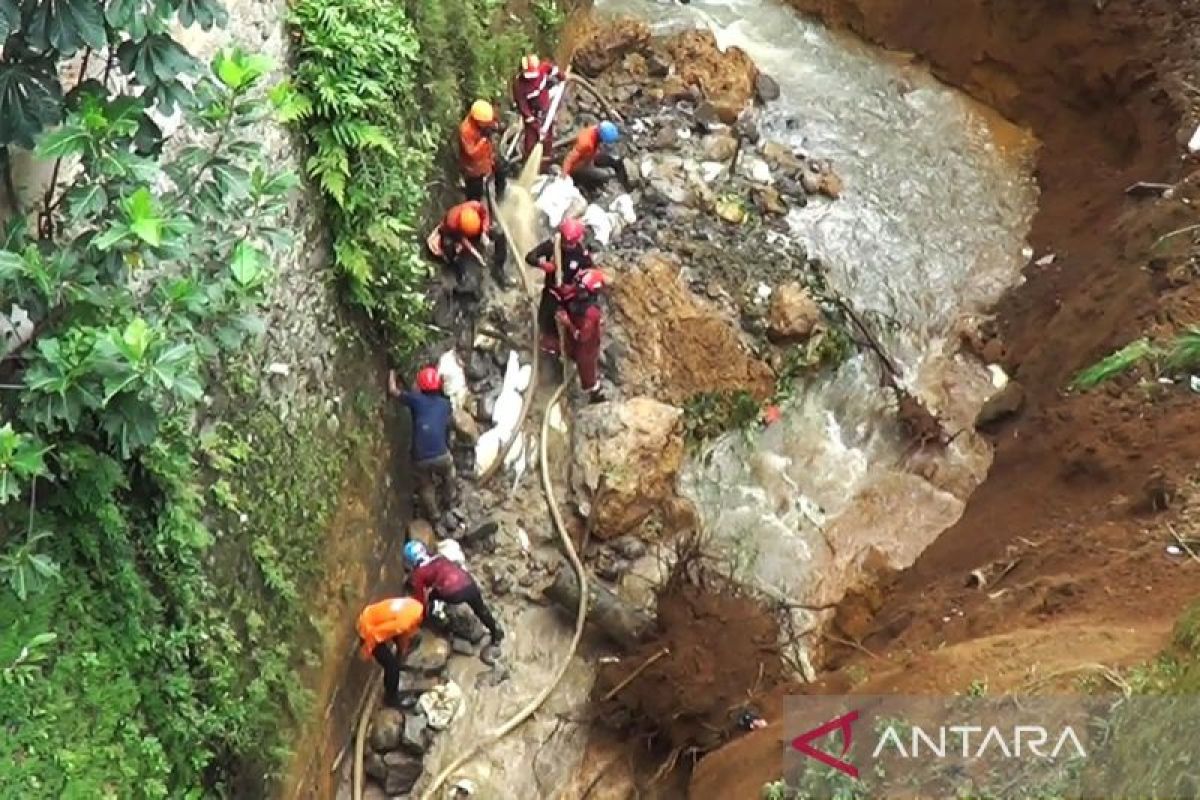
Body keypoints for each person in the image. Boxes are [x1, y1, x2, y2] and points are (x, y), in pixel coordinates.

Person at [404, 541, 504, 648]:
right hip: (469, 583)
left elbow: (420, 598)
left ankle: (444, 623)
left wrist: (421, 617)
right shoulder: (440, 557)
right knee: (480, 609)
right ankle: (495, 632)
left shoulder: (419, 574)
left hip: (454, 593)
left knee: (432, 597)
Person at [389, 367, 455, 519]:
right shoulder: (445, 404)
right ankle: (449, 497)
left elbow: (393, 391)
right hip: (441, 455)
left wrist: (392, 373)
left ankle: (434, 514)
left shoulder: (415, 400)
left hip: (420, 458)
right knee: (449, 471)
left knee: (425, 484)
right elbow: (448, 424)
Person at [524, 218, 593, 356]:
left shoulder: (581, 255)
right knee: (544, 317)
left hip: (571, 295)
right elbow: (530, 257)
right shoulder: (553, 245)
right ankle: (549, 344)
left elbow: (589, 275)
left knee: (575, 322)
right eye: (565, 243)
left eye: (570, 244)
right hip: (552, 291)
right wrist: (543, 265)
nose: (567, 246)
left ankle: (571, 348)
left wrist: (573, 287)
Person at [357, 596, 424, 708]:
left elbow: (404, 634)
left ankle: (398, 664)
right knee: (391, 666)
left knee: (408, 642)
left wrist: (403, 650)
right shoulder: (403, 624)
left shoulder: (416, 607)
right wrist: (366, 650)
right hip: (368, 628)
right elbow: (375, 634)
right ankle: (390, 698)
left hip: (374, 615)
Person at [434, 199, 509, 294]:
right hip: (455, 234)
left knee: (499, 233)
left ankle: (498, 266)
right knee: (448, 246)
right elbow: (464, 241)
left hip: (479, 230)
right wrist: (477, 255)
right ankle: (458, 271)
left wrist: (484, 232)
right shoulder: (451, 222)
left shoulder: (476, 205)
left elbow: (485, 216)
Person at [555, 268, 607, 403]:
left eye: (581, 289)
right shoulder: (579, 296)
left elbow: (581, 336)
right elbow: (566, 292)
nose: (577, 290)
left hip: (585, 349)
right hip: (573, 342)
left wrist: (567, 323)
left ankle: (595, 394)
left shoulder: (591, 314)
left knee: (587, 374)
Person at [512, 54, 562, 165]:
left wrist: (561, 76)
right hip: (532, 115)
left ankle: (545, 166)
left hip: (545, 111)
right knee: (530, 144)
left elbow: (553, 70)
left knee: (547, 141)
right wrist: (535, 125)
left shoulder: (542, 69)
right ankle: (527, 166)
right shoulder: (519, 85)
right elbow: (523, 107)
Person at [562, 121, 630, 193]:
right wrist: (564, 176)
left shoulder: (595, 129)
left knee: (612, 160)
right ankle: (588, 186)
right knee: (605, 175)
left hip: (589, 157)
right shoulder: (586, 143)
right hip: (579, 165)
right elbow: (569, 159)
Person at [459, 99, 506, 202]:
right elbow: (471, 153)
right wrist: (483, 141)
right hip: (474, 167)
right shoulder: (466, 131)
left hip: (489, 155)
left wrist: (496, 127)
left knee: (501, 170)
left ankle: (501, 198)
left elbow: (494, 122)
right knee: (475, 193)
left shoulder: (485, 115)